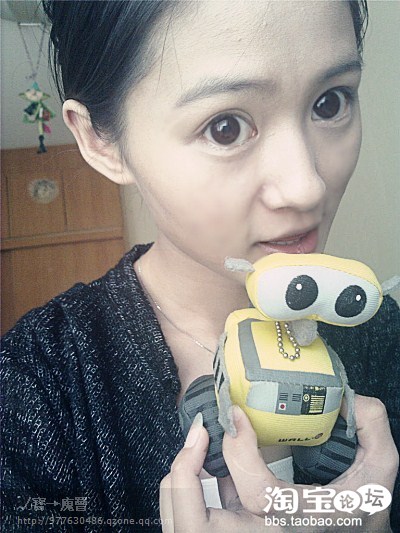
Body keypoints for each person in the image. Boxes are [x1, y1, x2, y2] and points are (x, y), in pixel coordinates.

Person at [1, 1, 399, 531]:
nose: (307, 186)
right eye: (225, 128)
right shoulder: (33, 386)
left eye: (330, 102)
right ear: (101, 140)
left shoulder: (384, 334)